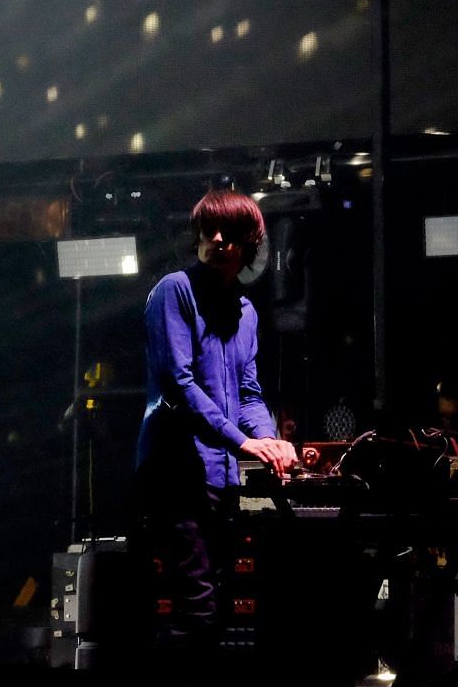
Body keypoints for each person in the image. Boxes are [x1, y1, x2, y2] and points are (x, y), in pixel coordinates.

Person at [137, 189, 298, 658]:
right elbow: (179, 387)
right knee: (198, 611)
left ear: (251, 241)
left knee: (220, 609)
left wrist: (268, 439)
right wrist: (244, 443)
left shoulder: (245, 312)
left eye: (228, 231)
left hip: (222, 477)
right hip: (176, 472)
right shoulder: (174, 291)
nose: (217, 238)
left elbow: (249, 393)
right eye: (209, 229)